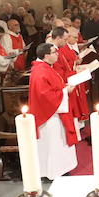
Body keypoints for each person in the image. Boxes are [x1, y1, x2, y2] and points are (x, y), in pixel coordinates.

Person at [28, 44, 79, 180]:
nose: (57, 54)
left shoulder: (44, 68)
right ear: (46, 56)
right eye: (54, 52)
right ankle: (54, 171)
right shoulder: (41, 72)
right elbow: (45, 96)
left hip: (55, 113)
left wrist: (63, 88)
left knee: (58, 142)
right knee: (53, 144)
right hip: (50, 116)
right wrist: (65, 91)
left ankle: (60, 169)